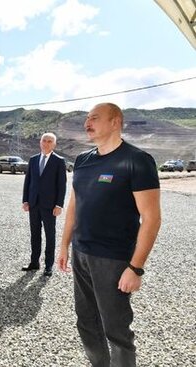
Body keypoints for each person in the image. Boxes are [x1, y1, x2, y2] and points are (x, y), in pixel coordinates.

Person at [57, 103, 161, 367]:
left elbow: (151, 219)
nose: (87, 123)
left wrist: (136, 268)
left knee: (116, 330)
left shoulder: (137, 160)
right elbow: (74, 206)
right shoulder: (82, 160)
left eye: (95, 118)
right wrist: (64, 245)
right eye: (87, 118)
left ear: (115, 122)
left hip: (113, 260)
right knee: (86, 323)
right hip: (81, 254)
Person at [21, 132, 67, 276]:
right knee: (35, 234)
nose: (46, 143)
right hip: (34, 203)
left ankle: (48, 266)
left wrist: (59, 205)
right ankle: (34, 262)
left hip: (50, 206)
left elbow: (62, 185)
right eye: (44, 141)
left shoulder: (59, 161)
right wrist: (25, 200)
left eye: (49, 141)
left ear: (54, 144)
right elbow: (28, 181)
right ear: (40, 142)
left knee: (50, 235)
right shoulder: (33, 159)